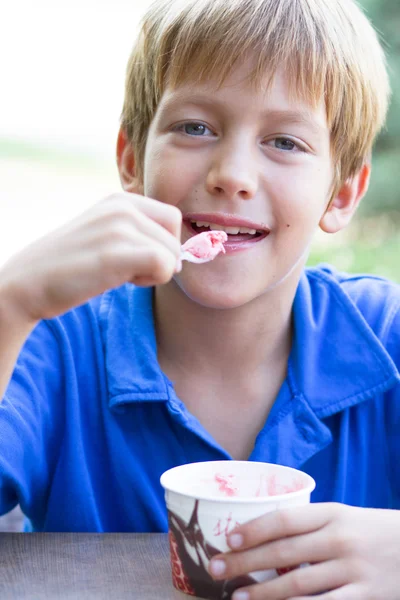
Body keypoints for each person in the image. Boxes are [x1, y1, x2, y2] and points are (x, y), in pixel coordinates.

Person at [1, 0, 399, 596]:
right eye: (195, 128)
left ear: (341, 193)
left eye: (285, 141)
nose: (232, 172)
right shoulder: (56, 341)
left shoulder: (385, 336)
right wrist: (10, 304)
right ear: (132, 160)